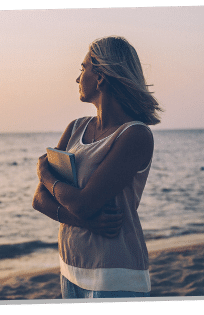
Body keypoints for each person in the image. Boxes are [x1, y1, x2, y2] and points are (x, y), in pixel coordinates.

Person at [32, 36, 162, 299]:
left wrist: (44, 173)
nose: (78, 78)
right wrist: (87, 223)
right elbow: (39, 200)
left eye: (83, 68)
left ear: (100, 75)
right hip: (70, 267)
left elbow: (83, 204)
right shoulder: (75, 128)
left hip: (115, 274)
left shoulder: (134, 134)